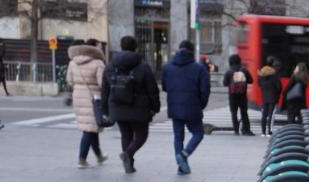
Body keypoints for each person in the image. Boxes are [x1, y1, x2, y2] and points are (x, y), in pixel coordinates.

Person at [101, 35, 160, 174]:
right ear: (135, 47)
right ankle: (128, 155)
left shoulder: (110, 66)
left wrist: (105, 109)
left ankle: (129, 165)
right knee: (141, 136)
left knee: (126, 135)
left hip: (117, 107)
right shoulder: (143, 66)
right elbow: (152, 90)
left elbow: (104, 90)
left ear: (121, 46)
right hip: (139, 108)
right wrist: (155, 107)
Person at [162, 40, 211, 174]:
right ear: (192, 51)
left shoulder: (167, 67)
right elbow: (205, 90)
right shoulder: (199, 68)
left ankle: (181, 165)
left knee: (178, 136)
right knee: (198, 133)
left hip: (174, 106)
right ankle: (184, 154)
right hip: (193, 106)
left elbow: (165, 87)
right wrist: (201, 105)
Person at [66, 38, 107, 168]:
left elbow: (69, 81)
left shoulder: (73, 62)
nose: (101, 49)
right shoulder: (98, 63)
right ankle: (81, 159)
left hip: (78, 97)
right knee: (89, 130)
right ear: (94, 48)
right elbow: (102, 84)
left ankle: (99, 156)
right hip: (93, 98)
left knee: (91, 128)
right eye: (99, 46)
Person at [222, 54, 253, 136]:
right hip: (242, 95)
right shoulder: (244, 70)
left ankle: (236, 130)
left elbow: (225, 83)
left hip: (232, 96)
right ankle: (246, 130)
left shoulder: (229, 71)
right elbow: (251, 81)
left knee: (234, 113)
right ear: (239, 61)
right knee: (244, 113)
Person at [257, 56, 281, 136]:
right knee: (271, 114)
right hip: (273, 97)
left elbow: (259, 84)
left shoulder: (261, 73)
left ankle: (263, 132)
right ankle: (269, 132)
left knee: (264, 115)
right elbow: (279, 87)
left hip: (264, 97)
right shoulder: (275, 73)